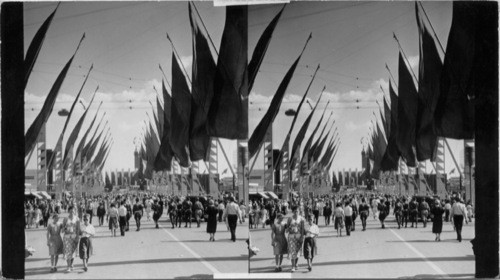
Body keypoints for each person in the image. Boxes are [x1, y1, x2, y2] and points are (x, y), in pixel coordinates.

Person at [62, 206, 80, 272]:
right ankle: (68, 266)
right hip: (67, 237)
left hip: (74, 237)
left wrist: (77, 237)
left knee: (73, 252)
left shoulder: (77, 218)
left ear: (75, 211)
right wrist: (66, 228)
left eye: (73, 211)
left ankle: (71, 264)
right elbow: (62, 229)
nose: (72, 212)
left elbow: (78, 229)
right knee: (68, 252)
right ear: (68, 211)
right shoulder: (65, 219)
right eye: (70, 211)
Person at [286, 206, 304, 272]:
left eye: (297, 211)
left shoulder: (301, 219)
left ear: (299, 211)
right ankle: (293, 266)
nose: (296, 212)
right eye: (295, 211)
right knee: (292, 251)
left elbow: (302, 229)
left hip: (298, 236)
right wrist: (291, 227)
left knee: (297, 251)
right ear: (293, 211)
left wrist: (302, 237)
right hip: (291, 236)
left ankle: (296, 263)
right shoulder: (290, 219)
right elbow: (287, 229)